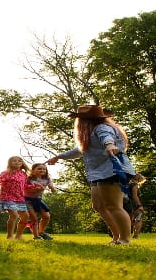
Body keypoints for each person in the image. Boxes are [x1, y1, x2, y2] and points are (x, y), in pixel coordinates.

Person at [47, 105, 136, 245]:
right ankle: (116, 236)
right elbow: (80, 150)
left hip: (112, 170)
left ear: (84, 121)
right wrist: (59, 157)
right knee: (98, 205)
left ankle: (125, 239)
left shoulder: (102, 128)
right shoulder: (91, 132)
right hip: (100, 172)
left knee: (114, 206)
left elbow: (107, 137)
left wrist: (109, 145)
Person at [0, 156, 34, 240]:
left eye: (19, 161)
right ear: (10, 163)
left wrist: (34, 186)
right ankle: (10, 236)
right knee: (14, 215)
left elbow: (25, 186)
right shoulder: (6, 173)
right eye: (14, 161)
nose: (17, 162)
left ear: (22, 163)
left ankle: (18, 235)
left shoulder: (23, 174)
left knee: (25, 216)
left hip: (19, 198)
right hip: (7, 197)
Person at [25, 163, 57, 240]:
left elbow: (53, 189)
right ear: (33, 171)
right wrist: (35, 189)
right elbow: (24, 189)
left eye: (44, 169)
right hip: (27, 200)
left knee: (46, 216)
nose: (42, 170)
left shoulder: (47, 179)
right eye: (39, 169)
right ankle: (36, 236)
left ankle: (41, 232)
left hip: (38, 200)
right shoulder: (29, 179)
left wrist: (52, 188)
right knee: (34, 218)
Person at [124, 173, 147, 239]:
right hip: (133, 204)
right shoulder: (134, 185)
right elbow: (135, 196)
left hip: (126, 203)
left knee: (128, 219)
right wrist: (140, 205)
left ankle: (125, 235)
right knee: (138, 219)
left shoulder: (127, 185)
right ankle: (135, 235)